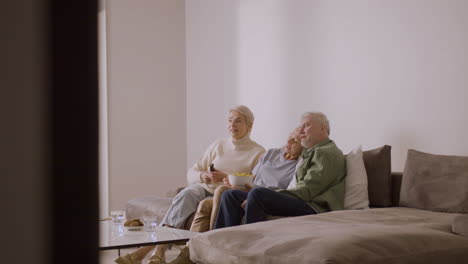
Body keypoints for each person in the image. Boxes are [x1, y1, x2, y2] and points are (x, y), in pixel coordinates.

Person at [114, 105, 265, 264]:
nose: (232, 125)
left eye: (238, 121)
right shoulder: (218, 145)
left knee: (203, 196)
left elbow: (255, 183)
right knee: (187, 194)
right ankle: (157, 251)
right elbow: (191, 173)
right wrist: (203, 175)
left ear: (249, 125)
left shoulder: (258, 152)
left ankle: (150, 252)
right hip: (204, 188)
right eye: (229, 121)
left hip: (226, 194)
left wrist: (225, 177)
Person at [214, 111, 346, 229]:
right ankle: (219, 242)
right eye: (300, 127)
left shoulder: (326, 153)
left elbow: (307, 190)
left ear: (323, 127)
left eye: (306, 126)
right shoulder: (312, 151)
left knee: (258, 193)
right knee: (231, 195)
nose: (301, 131)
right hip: (303, 200)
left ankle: (250, 243)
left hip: (315, 207)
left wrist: (272, 194)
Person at [189, 127, 303, 233]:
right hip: (249, 190)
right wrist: (236, 182)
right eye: (290, 137)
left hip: (266, 196)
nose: (289, 142)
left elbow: (286, 191)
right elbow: (252, 177)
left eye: (295, 141)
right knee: (225, 193)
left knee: (221, 192)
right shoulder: (272, 153)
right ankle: (208, 241)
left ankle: (213, 239)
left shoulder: (298, 165)